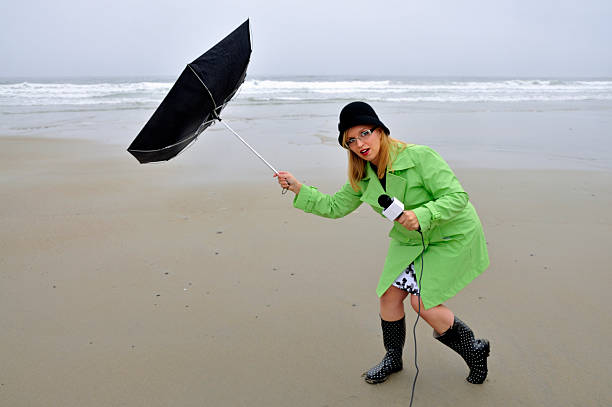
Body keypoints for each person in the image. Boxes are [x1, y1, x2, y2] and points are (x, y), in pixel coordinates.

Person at [274, 101, 491, 384]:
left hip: (451, 233)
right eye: (351, 140)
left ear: (380, 130)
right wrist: (298, 188)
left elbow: (457, 197)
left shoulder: (419, 156)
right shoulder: (362, 176)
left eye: (365, 133)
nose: (360, 144)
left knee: (423, 302)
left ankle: (474, 351)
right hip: (410, 239)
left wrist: (422, 214)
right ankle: (393, 358)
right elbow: (334, 207)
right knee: (388, 296)